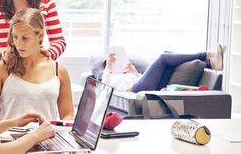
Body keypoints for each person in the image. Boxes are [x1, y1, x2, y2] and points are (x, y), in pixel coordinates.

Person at [0, 8, 74, 121]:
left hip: (47, 137)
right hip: (10, 137)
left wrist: (55, 132)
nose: (18, 44)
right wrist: (10, 130)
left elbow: (68, 116)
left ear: (40, 36)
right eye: (15, 37)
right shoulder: (2, 68)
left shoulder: (59, 71)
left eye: (25, 38)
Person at [94, 44, 224, 93]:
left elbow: (142, 80)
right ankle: (206, 54)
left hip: (143, 85)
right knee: (163, 57)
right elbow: (104, 89)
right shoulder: (107, 77)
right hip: (134, 90)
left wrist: (135, 73)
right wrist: (108, 67)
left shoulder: (126, 73)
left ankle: (211, 64)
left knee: (169, 64)